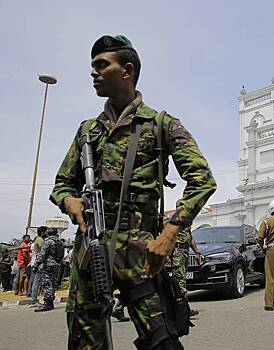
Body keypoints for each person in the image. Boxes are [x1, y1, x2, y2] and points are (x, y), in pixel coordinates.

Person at [49, 35, 216, 349]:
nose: (93, 73)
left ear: (126, 70)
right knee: (86, 342)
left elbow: (202, 179)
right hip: (92, 250)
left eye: (101, 65)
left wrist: (169, 233)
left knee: (163, 340)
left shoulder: (160, 124)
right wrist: (69, 201)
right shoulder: (88, 131)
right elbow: (62, 184)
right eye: (92, 66)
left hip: (142, 253)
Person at [171, 226, 202, 317]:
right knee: (179, 281)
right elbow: (169, 238)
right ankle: (183, 310)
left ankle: (182, 309)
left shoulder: (186, 224)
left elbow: (190, 238)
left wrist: (197, 252)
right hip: (177, 252)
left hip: (185, 251)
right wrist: (168, 256)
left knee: (182, 281)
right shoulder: (174, 222)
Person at [34, 228, 64, 312]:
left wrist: (36, 265)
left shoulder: (48, 241)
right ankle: (50, 302)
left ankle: (47, 304)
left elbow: (42, 254)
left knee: (47, 284)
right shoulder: (60, 242)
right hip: (57, 265)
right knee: (53, 284)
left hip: (48, 265)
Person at [29, 226, 47, 307]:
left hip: (38, 262)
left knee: (38, 282)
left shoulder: (39, 239)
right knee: (37, 282)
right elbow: (43, 252)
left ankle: (35, 300)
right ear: (42, 232)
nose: (47, 233)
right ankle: (34, 301)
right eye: (46, 231)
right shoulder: (40, 240)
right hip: (40, 263)